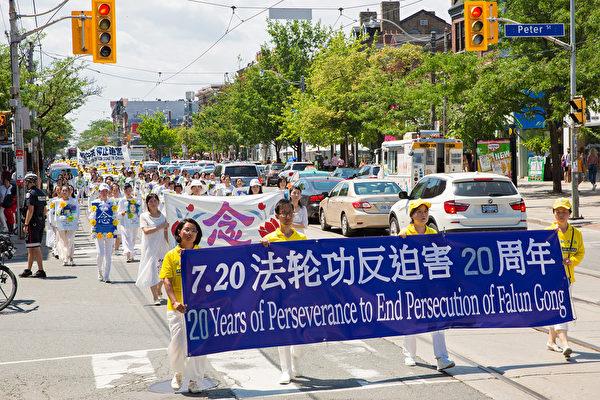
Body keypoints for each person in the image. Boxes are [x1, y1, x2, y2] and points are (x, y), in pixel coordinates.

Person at [398, 199, 455, 371]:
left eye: (425, 212)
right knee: (412, 320)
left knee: (438, 322)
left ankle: (442, 358)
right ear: (412, 216)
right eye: (419, 212)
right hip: (412, 286)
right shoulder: (404, 233)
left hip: (431, 286)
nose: (423, 215)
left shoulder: (433, 233)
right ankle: (409, 355)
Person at [260, 199, 307, 384]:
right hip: (278, 293)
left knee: (301, 334)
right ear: (277, 216)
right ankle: (285, 370)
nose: (287, 216)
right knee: (283, 332)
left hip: (298, 292)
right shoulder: (270, 239)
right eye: (284, 213)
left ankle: (296, 358)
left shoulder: (301, 239)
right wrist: (262, 246)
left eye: (290, 212)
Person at [160, 218, 207, 393]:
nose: (189, 233)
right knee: (178, 344)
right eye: (186, 229)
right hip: (177, 309)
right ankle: (178, 372)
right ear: (179, 232)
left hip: (199, 309)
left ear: (197, 235)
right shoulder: (171, 255)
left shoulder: (202, 254)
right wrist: (174, 301)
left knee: (200, 345)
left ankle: (196, 380)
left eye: (193, 230)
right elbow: (167, 280)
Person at [545, 198, 585, 358]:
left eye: (564, 212)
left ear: (569, 214)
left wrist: (572, 261)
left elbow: (580, 252)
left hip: (567, 277)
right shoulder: (548, 232)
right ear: (553, 213)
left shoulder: (577, 233)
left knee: (557, 308)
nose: (561, 214)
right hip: (551, 278)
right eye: (558, 212)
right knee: (561, 309)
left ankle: (550, 341)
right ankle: (565, 343)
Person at [136, 193, 170, 305]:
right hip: (150, 247)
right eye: (150, 201)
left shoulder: (163, 215)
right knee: (151, 270)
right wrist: (160, 226)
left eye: (155, 201)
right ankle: (155, 297)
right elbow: (145, 231)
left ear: (158, 202)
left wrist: (169, 244)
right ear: (147, 204)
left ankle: (159, 289)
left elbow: (166, 231)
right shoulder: (144, 216)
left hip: (162, 246)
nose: (153, 203)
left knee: (162, 270)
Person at [19, 173, 48, 278]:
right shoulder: (41, 193)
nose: (25, 184)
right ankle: (28, 269)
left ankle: (41, 270)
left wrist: (26, 224)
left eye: (26, 182)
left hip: (32, 223)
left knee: (35, 247)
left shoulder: (30, 194)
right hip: (40, 222)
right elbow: (45, 210)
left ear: (30, 181)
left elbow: (30, 210)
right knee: (31, 247)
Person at [89, 183, 118, 283]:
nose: (104, 193)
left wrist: (115, 228)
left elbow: (115, 216)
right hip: (99, 231)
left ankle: (107, 276)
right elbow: (91, 217)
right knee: (100, 253)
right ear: (99, 192)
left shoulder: (112, 203)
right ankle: (99, 270)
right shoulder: (95, 203)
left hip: (109, 231)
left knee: (108, 254)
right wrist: (93, 229)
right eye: (102, 191)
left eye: (106, 191)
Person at [55, 185, 79, 266]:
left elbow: (76, 213)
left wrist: (72, 219)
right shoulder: (57, 201)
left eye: (66, 190)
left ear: (69, 192)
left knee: (70, 241)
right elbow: (56, 214)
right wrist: (56, 223)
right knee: (64, 242)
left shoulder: (74, 201)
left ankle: (70, 257)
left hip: (71, 224)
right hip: (61, 224)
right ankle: (65, 257)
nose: (64, 192)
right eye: (63, 190)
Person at [118, 183, 141, 263]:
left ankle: (132, 254)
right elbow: (118, 212)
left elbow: (139, 210)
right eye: (126, 190)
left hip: (134, 221)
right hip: (125, 222)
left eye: (129, 190)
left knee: (133, 238)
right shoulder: (122, 200)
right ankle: (128, 254)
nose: (128, 192)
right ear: (124, 191)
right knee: (126, 238)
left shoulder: (135, 199)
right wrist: (122, 213)